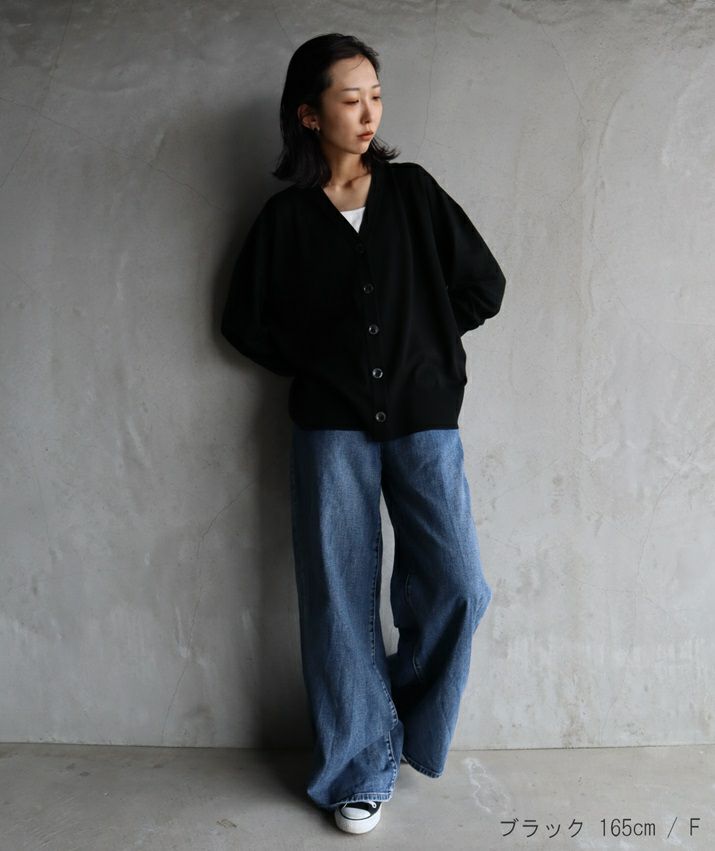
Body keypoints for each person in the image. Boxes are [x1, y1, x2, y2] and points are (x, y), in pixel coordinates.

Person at [221, 33, 506, 835]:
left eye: (375, 94)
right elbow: (243, 322)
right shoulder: (285, 218)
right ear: (309, 115)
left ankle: (383, 723)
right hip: (329, 428)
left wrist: (423, 348)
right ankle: (357, 767)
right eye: (350, 98)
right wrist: (321, 363)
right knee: (336, 596)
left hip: (423, 420)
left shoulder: (412, 192)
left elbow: (482, 286)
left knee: (457, 584)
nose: (368, 111)